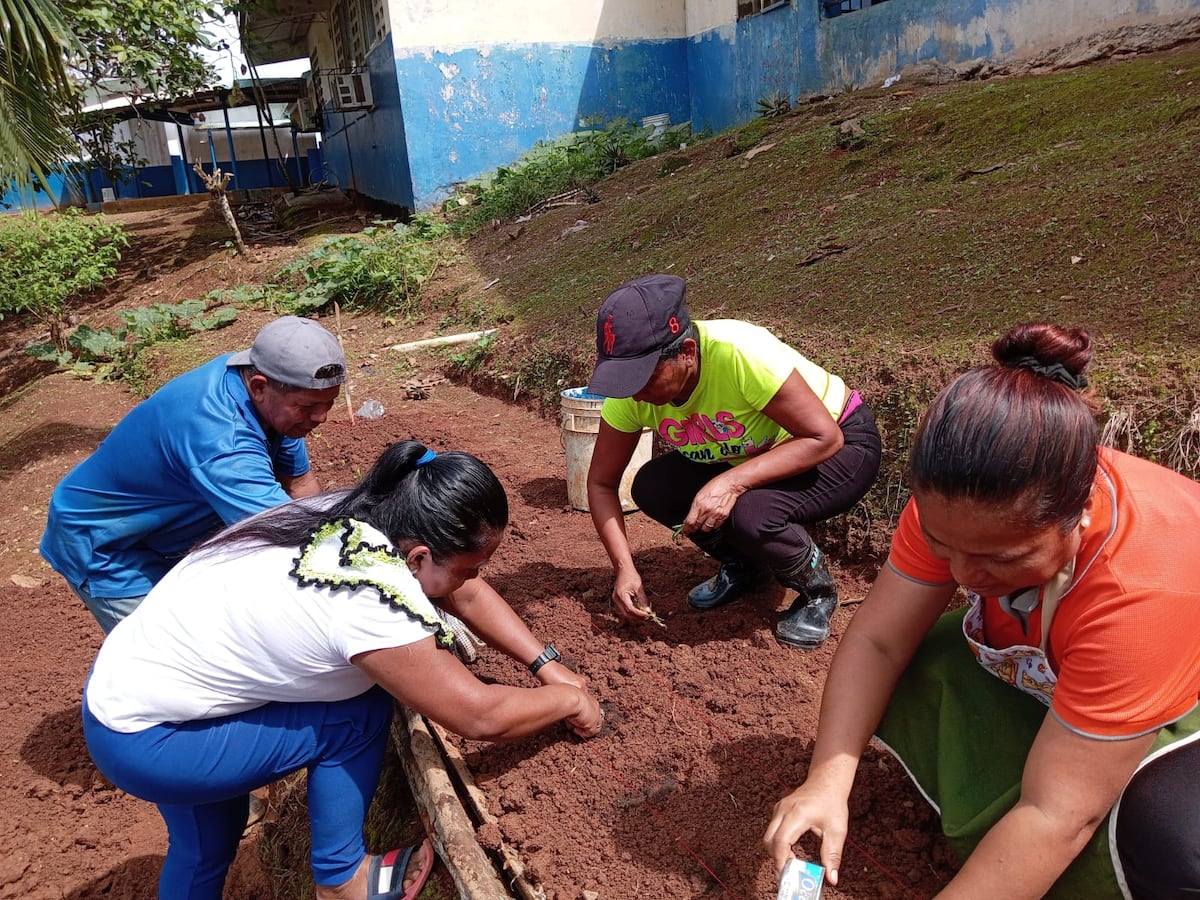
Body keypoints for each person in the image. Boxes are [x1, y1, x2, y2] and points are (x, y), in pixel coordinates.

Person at [764, 323, 1200, 898]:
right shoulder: (959, 508)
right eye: (944, 548)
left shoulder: (1141, 590)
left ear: (1079, 518)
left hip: (1177, 682)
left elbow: (1058, 815)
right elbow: (878, 642)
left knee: (1171, 845)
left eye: (1002, 559)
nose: (965, 576)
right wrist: (826, 778)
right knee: (910, 665)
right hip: (1079, 660)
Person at [82, 440, 603, 900]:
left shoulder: (361, 511)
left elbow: (458, 585)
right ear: (418, 557)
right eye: (472, 566)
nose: (475, 579)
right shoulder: (366, 598)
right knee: (361, 708)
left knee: (206, 846)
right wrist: (572, 699)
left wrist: (544, 663)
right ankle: (340, 879)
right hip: (154, 738)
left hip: (126, 696)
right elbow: (479, 715)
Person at [585, 273, 881, 649]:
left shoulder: (740, 353)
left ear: (687, 353)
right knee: (653, 487)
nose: (635, 394)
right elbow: (601, 483)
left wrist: (730, 483)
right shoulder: (631, 395)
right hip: (748, 452)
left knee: (752, 514)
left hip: (838, 442)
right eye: (623, 379)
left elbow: (824, 437)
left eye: (644, 378)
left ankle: (816, 591)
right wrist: (625, 569)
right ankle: (747, 566)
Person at [40, 315, 346, 633]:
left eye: (330, 403)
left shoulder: (273, 399)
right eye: (308, 406)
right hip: (108, 543)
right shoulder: (220, 438)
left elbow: (299, 485)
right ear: (259, 388)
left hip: (166, 532)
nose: (321, 417)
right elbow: (286, 531)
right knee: (167, 654)